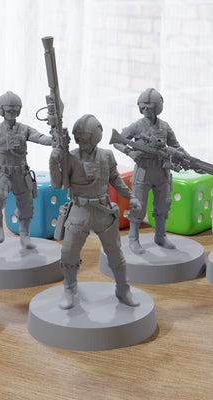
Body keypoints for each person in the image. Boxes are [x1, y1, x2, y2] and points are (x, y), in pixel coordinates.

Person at [49, 114, 141, 309]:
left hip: (103, 211)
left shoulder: (107, 156)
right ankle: (69, 288)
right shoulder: (70, 157)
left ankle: (123, 289)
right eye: (77, 138)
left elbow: (116, 180)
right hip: (79, 211)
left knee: (115, 254)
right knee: (68, 254)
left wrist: (131, 197)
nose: (80, 141)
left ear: (95, 136)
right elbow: (57, 184)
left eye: (84, 137)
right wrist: (54, 162)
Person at [0, 91, 52, 248]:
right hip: (3, 174)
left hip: (21, 174)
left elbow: (39, 137)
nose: (11, 113)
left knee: (26, 206)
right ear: (1, 110)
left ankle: (25, 234)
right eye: (8, 110)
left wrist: (54, 140)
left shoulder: (24, 129)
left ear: (19, 111)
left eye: (14, 110)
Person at [113, 88, 187, 254]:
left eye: (149, 105)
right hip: (143, 170)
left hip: (161, 171)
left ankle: (160, 236)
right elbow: (117, 141)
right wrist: (130, 152)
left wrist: (187, 158)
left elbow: (176, 146)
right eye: (143, 106)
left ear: (157, 106)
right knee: (138, 206)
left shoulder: (164, 126)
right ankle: (133, 239)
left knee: (163, 205)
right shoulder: (137, 126)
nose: (145, 109)